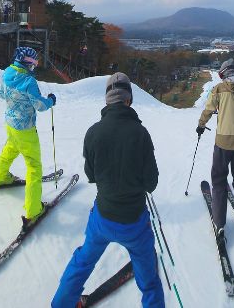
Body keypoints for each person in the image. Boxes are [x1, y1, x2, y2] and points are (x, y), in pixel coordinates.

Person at [52, 73, 163, 308]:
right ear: (128, 99)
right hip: (134, 222)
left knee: (82, 262)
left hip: (102, 218)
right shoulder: (140, 133)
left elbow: (91, 175)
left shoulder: (93, 133)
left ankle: (60, 304)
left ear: (107, 100)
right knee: (150, 281)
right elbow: (151, 183)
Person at [0, 46, 56, 226]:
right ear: (29, 63)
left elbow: (1, 94)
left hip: (10, 123)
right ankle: (33, 209)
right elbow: (40, 106)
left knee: (11, 148)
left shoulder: (7, 72)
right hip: (26, 129)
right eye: (34, 64)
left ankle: (0, 176)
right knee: (34, 166)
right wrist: (51, 100)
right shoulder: (29, 81)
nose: (34, 67)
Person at [197, 58, 234, 242]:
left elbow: (208, 109)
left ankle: (220, 222)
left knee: (219, 180)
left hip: (223, 142)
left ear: (223, 73)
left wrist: (201, 125)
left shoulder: (219, 89)